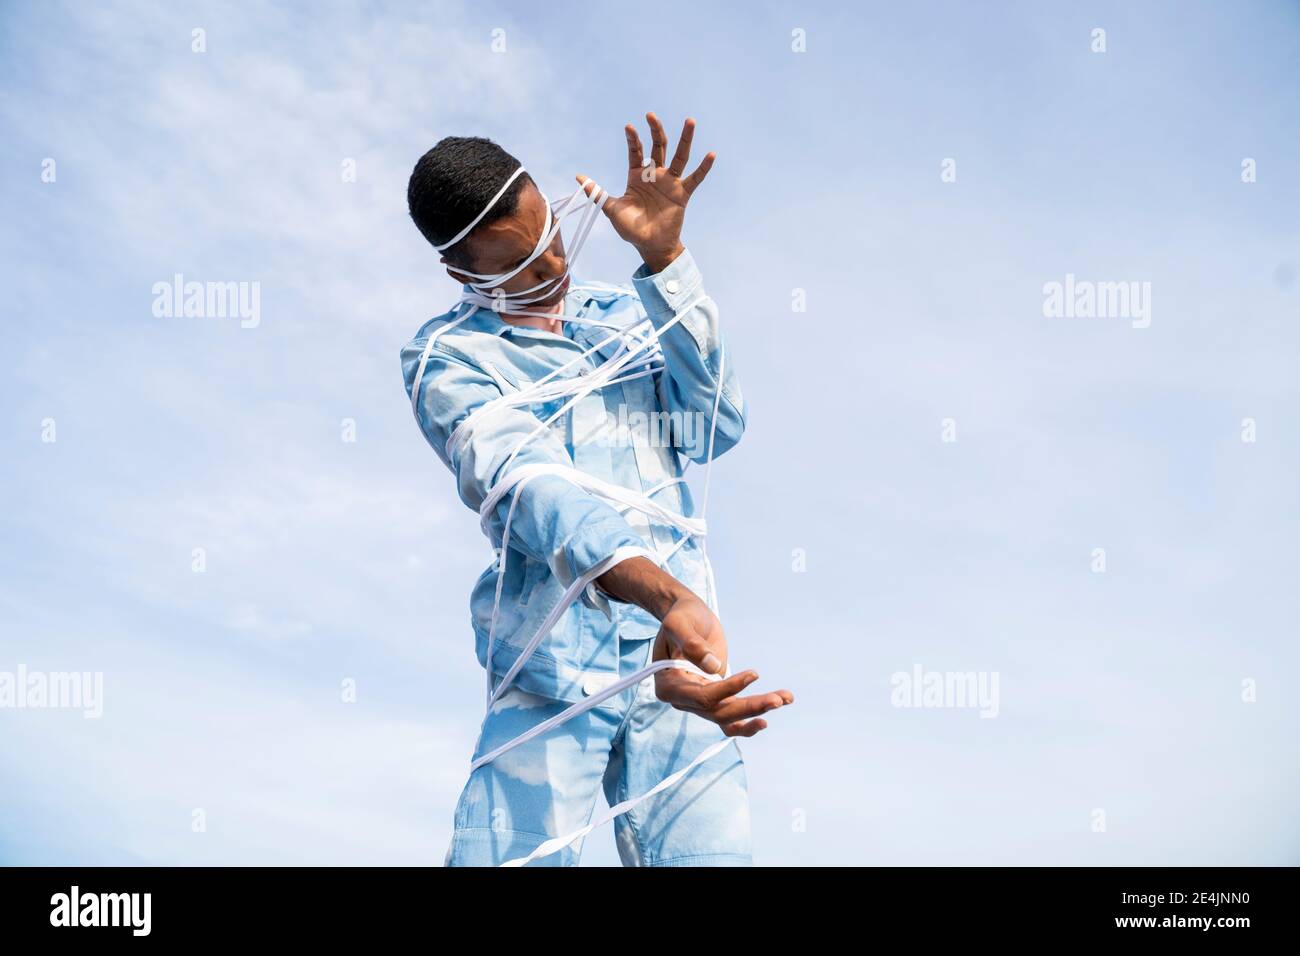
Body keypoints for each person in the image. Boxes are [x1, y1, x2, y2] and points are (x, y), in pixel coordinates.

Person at [400, 114, 793, 866]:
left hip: (675, 655)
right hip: (550, 665)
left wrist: (665, 258)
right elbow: (528, 487)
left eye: (550, 232)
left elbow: (715, 426)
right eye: (520, 261)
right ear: (460, 272)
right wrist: (661, 591)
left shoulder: (623, 314)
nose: (553, 262)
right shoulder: (444, 357)